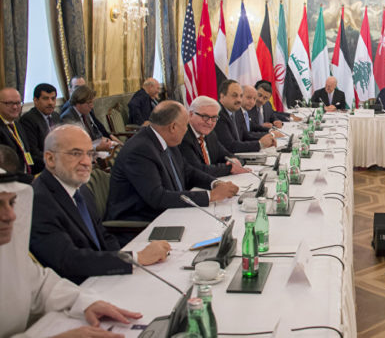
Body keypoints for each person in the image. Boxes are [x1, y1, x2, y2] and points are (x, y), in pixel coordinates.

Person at [0, 172, 142, 338]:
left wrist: (85, 302)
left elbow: (42, 286)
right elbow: (68, 259)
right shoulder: (43, 199)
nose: (11, 216)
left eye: (11, 203)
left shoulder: (7, 252)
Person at [30, 125, 171, 284]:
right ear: (50, 159)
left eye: (90, 154)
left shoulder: (81, 189)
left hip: (104, 277)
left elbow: (103, 236)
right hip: (77, 288)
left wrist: (124, 266)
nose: (86, 162)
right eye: (76, 154)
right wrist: (137, 258)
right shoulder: (38, 200)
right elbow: (68, 260)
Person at [105, 101, 239, 225]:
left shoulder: (166, 140)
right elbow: (158, 197)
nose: (187, 130)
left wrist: (215, 183)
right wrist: (211, 196)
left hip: (172, 212)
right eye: (185, 125)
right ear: (173, 127)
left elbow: (188, 171)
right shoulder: (140, 150)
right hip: (143, 223)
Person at [180, 96, 249, 178]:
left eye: (214, 118)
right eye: (205, 117)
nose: (209, 122)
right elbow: (199, 170)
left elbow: (227, 155)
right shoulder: (183, 136)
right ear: (191, 114)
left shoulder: (210, 134)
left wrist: (236, 162)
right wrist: (230, 168)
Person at [213, 80, 275, 153]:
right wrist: (259, 144)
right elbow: (231, 146)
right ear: (222, 96)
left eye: (241, 96)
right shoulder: (217, 115)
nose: (239, 100)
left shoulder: (236, 112)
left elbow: (246, 136)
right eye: (234, 95)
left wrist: (267, 139)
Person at [61, 86, 120, 152]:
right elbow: (76, 145)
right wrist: (96, 148)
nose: (92, 106)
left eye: (92, 102)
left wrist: (104, 140)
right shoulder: (67, 118)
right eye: (89, 103)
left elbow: (94, 133)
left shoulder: (86, 113)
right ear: (79, 103)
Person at [0, 88, 43, 175]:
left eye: (18, 103)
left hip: (28, 173)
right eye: (9, 103)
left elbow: (27, 155)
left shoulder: (17, 125)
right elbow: (5, 167)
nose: (15, 107)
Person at [20, 83, 62, 156]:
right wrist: (56, 159)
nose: (50, 103)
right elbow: (34, 152)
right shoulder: (28, 120)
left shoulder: (56, 116)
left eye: (53, 99)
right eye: (45, 98)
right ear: (35, 100)